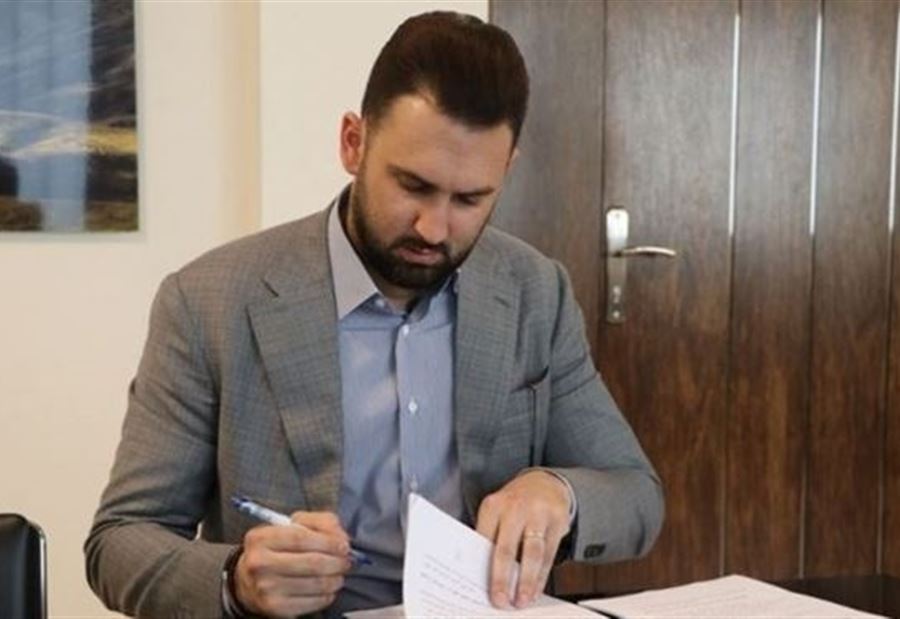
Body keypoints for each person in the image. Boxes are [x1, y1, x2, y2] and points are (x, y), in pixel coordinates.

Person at [85, 11, 663, 619]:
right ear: (353, 143)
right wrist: (236, 581)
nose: (434, 228)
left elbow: (636, 495)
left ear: (507, 170)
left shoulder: (534, 292)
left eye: (470, 199)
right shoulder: (208, 300)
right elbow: (119, 541)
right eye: (413, 186)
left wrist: (561, 493)